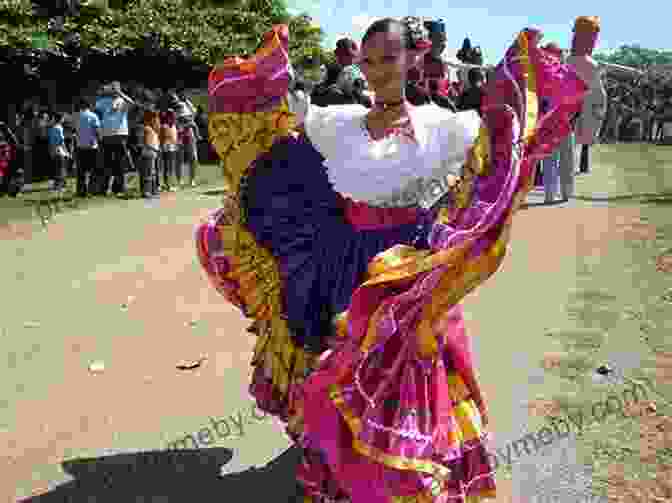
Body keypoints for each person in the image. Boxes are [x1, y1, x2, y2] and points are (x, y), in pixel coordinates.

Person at [198, 17, 592, 503]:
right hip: (339, 266)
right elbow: (270, 125)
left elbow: (505, 141)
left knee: (400, 380)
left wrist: (554, 75)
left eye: (388, 58)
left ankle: (400, 484)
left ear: (413, 57)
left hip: (408, 273)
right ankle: (336, 482)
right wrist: (259, 77)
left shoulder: (445, 128)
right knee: (335, 372)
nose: (377, 70)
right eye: (369, 60)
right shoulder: (334, 123)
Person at [94, 81, 136, 196]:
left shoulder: (122, 101)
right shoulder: (102, 101)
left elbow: (132, 103)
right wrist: (102, 92)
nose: (114, 90)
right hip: (106, 135)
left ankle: (119, 188)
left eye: (116, 88)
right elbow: (96, 109)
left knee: (120, 162)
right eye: (112, 88)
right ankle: (105, 188)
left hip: (120, 134)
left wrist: (120, 93)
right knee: (106, 163)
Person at [74, 98, 102, 198]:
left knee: (81, 171)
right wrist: (100, 141)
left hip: (80, 146)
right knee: (93, 170)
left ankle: (81, 191)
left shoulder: (76, 116)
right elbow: (97, 131)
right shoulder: (93, 116)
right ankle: (92, 190)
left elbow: (75, 131)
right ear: (88, 106)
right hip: (92, 146)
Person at [139, 109, 161, 198]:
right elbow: (147, 143)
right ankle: (146, 192)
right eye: (154, 118)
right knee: (148, 173)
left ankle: (152, 190)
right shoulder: (147, 128)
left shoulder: (152, 129)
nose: (157, 120)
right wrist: (155, 149)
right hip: (149, 153)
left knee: (152, 173)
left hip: (152, 153)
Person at [47, 112, 69, 191]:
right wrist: (66, 151)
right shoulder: (59, 128)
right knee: (61, 169)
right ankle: (60, 186)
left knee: (56, 169)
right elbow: (61, 141)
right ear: (60, 119)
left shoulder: (52, 128)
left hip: (53, 151)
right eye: (63, 118)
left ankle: (56, 185)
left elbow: (50, 141)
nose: (64, 119)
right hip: (59, 151)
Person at [159, 109, 179, 191]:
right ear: (168, 117)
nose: (173, 117)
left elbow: (174, 138)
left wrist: (176, 144)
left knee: (170, 168)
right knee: (167, 168)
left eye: (173, 115)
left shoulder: (173, 126)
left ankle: (169, 184)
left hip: (172, 148)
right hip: (166, 148)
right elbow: (162, 138)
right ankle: (167, 185)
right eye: (171, 115)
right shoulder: (164, 126)